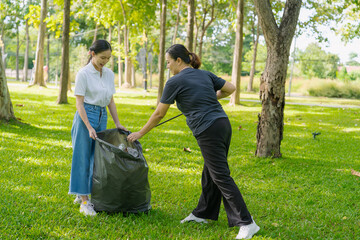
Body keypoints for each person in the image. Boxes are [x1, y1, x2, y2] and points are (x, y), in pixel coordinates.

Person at [127, 44, 260, 239]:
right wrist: (210, 97)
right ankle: (202, 213)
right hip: (223, 125)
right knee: (211, 172)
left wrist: (140, 133)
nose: (168, 66)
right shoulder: (204, 74)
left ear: (178, 61)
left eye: (168, 62)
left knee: (221, 176)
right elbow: (230, 88)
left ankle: (247, 222)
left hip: (208, 129)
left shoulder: (174, 81)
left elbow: (159, 114)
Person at [69, 39, 127, 216]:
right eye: (102, 57)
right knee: (83, 157)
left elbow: (110, 100)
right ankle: (85, 202)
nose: (105, 61)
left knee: (97, 158)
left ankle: (84, 193)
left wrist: (117, 123)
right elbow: (79, 103)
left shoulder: (109, 74)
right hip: (86, 115)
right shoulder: (83, 74)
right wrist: (88, 126)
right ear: (92, 54)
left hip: (102, 116)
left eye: (108, 58)